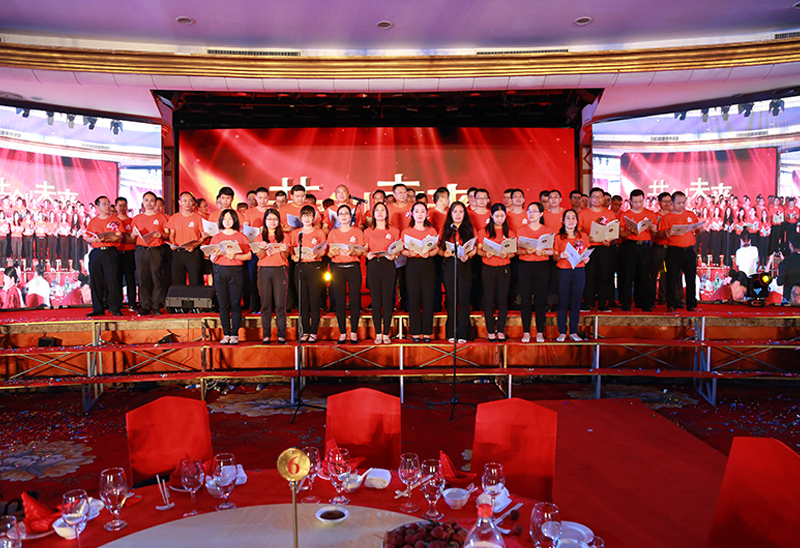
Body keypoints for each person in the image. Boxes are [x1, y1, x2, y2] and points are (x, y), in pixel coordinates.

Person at [207, 209, 252, 345]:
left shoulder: (241, 237)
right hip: (220, 271)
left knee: (235, 304)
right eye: (224, 219)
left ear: (235, 221)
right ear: (221, 221)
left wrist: (235, 256)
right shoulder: (216, 237)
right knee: (223, 304)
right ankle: (226, 333)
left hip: (236, 271)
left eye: (230, 219)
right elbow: (212, 259)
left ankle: (235, 334)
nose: (227, 221)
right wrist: (215, 255)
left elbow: (248, 256)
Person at [657, 191, 702, 312]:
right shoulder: (667, 218)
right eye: (678, 203)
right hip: (674, 250)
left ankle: (691, 304)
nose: (681, 205)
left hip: (689, 250)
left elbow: (698, 231)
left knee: (691, 277)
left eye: (683, 202)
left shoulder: (691, 215)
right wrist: (666, 233)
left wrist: (699, 229)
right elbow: (660, 234)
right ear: (672, 203)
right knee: (672, 277)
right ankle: (671, 304)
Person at [401, 201, 439, 343]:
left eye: (422, 211)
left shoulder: (431, 231)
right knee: (414, 298)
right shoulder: (406, 231)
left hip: (428, 264)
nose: (420, 214)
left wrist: (429, 254)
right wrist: (408, 253)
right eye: (416, 211)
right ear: (412, 214)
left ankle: (427, 332)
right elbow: (401, 249)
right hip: (412, 265)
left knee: (428, 298)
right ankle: (415, 332)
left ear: (426, 214)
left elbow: (436, 248)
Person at [517, 202, 555, 342]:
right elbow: (516, 250)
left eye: (534, 211)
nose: (531, 214)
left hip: (542, 266)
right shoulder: (521, 230)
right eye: (529, 211)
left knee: (540, 300)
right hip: (525, 266)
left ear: (541, 214)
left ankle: (540, 332)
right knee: (525, 300)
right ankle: (526, 332)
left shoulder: (547, 230)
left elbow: (552, 251)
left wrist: (542, 252)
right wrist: (526, 251)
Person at [327, 205, 365, 344]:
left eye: (346, 213)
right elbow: (329, 253)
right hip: (338, 268)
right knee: (340, 301)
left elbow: (361, 251)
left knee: (354, 301)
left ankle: (354, 332)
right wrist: (332, 253)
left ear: (350, 216)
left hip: (353, 268)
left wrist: (353, 252)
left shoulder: (357, 232)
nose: (343, 216)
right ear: (338, 217)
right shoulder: (333, 233)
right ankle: (342, 332)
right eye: (341, 214)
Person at [476, 203, 514, 342]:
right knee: (488, 300)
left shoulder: (509, 233)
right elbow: (479, 250)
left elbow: (513, 253)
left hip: (504, 268)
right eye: (496, 215)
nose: (499, 218)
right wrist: (486, 254)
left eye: (502, 215)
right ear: (491, 216)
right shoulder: (484, 231)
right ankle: (490, 330)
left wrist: (506, 255)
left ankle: (501, 330)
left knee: (503, 300)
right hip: (488, 268)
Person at [290, 205, 327, 343]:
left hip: (314, 267)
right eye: (305, 216)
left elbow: (324, 250)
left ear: (314, 218)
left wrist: (317, 254)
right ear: (300, 218)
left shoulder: (319, 233)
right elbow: (291, 249)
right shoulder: (296, 233)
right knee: (303, 301)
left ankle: (313, 332)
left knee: (314, 301)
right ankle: (305, 330)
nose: (307, 218)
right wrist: (293, 256)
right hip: (300, 267)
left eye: (310, 216)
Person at [440, 201, 477, 343]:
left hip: (464, 265)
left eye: (461, 212)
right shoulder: (445, 229)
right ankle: (451, 332)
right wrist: (444, 253)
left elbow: (475, 248)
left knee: (464, 299)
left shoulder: (469, 229)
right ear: (450, 214)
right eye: (455, 212)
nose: (458, 215)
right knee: (451, 299)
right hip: (450, 265)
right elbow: (439, 248)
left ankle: (463, 333)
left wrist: (469, 255)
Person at [364, 202, 400, 344]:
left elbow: (397, 249)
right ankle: (378, 333)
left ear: (386, 213)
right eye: (377, 210)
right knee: (376, 301)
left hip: (388, 265)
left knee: (387, 300)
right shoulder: (368, 231)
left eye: (382, 210)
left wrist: (394, 256)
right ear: (373, 214)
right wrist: (367, 254)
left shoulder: (394, 231)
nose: (380, 212)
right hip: (373, 265)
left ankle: (386, 334)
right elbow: (365, 249)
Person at [83, 195, 124, 317]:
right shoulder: (93, 221)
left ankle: (115, 307)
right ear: (97, 207)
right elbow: (87, 236)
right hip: (96, 252)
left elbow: (118, 236)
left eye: (108, 203)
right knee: (96, 280)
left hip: (110, 251)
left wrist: (105, 238)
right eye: (104, 204)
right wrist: (93, 239)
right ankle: (98, 308)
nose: (107, 206)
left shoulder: (115, 220)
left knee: (113, 280)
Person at [554, 209, 591, 341]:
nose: (570, 221)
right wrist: (560, 255)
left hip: (579, 270)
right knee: (563, 302)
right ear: (563, 221)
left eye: (573, 218)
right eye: (568, 218)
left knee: (576, 302)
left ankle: (574, 331)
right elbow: (554, 256)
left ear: (577, 221)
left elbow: (586, 252)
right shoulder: (558, 237)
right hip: (563, 271)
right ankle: (562, 331)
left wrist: (586, 259)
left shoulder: (582, 236)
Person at [131, 191, 170, 315]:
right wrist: (134, 234)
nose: (149, 203)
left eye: (152, 200)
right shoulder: (137, 218)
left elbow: (167, 235)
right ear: (143, 202)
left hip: (155, 250)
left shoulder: (161, 217)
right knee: (142, 279)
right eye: (146, 200)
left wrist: (161, 235)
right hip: (141, 251)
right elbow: (132, 236)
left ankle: (156, 305)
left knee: (156, 278)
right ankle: (145, 306)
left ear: (155, 202)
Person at [255, 208, 289, 344]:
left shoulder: (284, 237)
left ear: (279, 221)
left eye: (275, 219)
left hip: (280, 271)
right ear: (265, 221)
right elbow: (259, 256)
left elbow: (286, 257)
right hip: (264, 271)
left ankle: (281, 334)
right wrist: (262, 248)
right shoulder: (259, 237)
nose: (272, 222)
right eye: (269, 219)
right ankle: (266, 334)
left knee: (280, 304)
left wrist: (284, 250)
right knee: (266, 304)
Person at [579, 187, 616, 312]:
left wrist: (610, 239)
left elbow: (614, 232)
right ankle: (588, 302)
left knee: (604, 276)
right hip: (589, 248)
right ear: (590, 199)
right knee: (589, 276)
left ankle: (602, 303)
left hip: (604, 248)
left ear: (603, 198)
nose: (597, 199)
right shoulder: (582, 214)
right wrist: (586, 237)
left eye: (600, 196)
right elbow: (578, 231)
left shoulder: (610, 214)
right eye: (594, 196)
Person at [618, 189, 655, 312]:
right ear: (630, 202)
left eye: (640, 201)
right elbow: (621, 234)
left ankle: (645, 304)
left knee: (644, 275)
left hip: (645, 246)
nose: (638, 204)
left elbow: (655, 232)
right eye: (635, 202)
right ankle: (626, 303)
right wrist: (630, 231)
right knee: (628, 275)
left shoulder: (650, 214)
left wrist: (652, 228)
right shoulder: (625, 215)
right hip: (630, 246)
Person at [166, 192, 206, 286]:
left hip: (193, 252)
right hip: (178, 252)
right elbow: (171, 234)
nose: (187, 203)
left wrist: (194, 245)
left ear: (193, 203)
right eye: (184, 201)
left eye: (190, 200)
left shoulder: (198, 218)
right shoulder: (174, 218)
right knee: (178, 281)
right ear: (180, 202)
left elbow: (203, 236)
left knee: (195, 280)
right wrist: (173, 243)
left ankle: (195, 296)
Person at [115, 197, 137, 309]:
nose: (122, 208)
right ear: (115, 207)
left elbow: (134, 239)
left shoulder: (132, 221)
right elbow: (113, 238)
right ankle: (118, 303)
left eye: (124, 205)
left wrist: (121, 238)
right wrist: (126, 237)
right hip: (116, 253)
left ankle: (132, 303)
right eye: (120, 205)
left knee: (130, 279)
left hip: (129, 253)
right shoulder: (113, 222)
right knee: (116, 279)